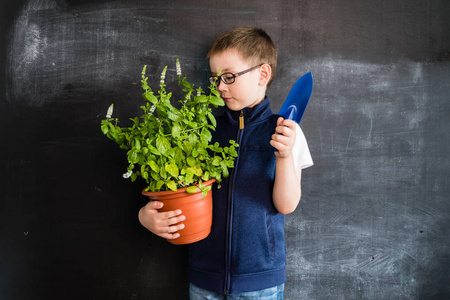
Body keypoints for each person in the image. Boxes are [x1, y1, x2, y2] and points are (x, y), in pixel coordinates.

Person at [138, 27, 313, 299]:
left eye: (229, 77)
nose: (220, 86)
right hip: (204, 276)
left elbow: (286, 205)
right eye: (216, 79)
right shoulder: (202, 131)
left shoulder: (286, 132)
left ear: (262, 74)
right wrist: (146, 216)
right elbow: (176, 190)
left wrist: (284, 156)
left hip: (260, 281)